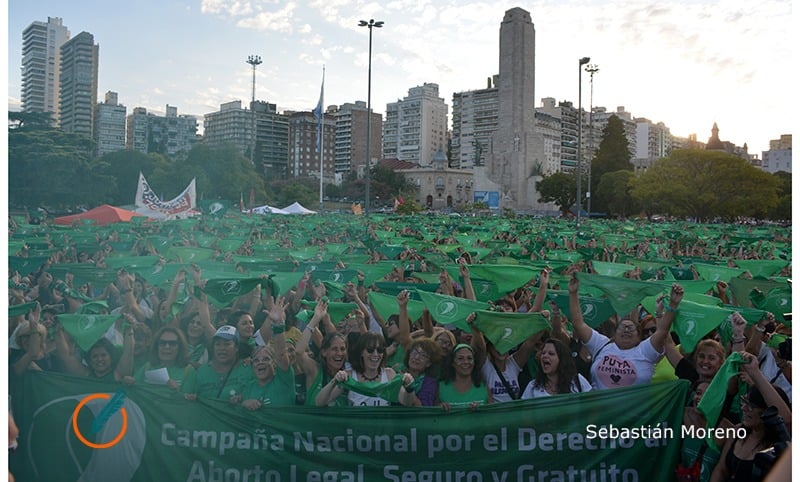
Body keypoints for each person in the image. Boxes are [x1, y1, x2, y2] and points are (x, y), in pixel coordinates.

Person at [568, 275, 683, 390]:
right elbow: (579, 324)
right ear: (615, 332)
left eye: (631, 328)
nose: (626, 330)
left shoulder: (645, 350)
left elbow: (662, 331)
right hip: (600, 407)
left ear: (639, 336)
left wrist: (673, 304)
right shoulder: (601, 344)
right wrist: (573, 293)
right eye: (622, 327)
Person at [710, 351, 792, 482]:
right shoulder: (737, 432)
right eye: (744, 402)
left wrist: (755, 373)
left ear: (768, 412)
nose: (743, 408)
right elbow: (721, 469)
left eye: (751, 406)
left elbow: (786, 418)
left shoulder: (778, 444)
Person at [232, 312, 294, 409]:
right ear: (252, 366)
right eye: (256, 360)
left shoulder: (283, 380)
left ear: (274, 363)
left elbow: (281, 355)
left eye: (266, 359)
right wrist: (243, 404)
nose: (260, 362)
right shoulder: (249, 387)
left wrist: (278, 325)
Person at [317, 332, 398, 407]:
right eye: (370, 350)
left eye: (380, 350)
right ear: (361, 352)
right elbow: (320, 403)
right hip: (356, 423)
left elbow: (407, 402)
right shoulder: (349, 376)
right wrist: (334, 381)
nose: (375, 354)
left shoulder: (389, 374)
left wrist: (409, 386)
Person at [181, 325, 251, 401]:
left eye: (227, 344)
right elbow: (185, 399)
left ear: (236, 347)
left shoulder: (247, 370)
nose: (222, 348)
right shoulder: (202, 371)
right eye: (218, 344)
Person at [126, 326, 194, 391]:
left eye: (172, 343)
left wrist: (176, 391)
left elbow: (188, 401)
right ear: (157, 347)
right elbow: (134, 389)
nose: (167, 347)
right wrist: (128, 382)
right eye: (162, 343)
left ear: (180, 348)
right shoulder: (148, 367)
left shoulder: (188, 371)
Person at [521, 338, 592, 398]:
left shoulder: (578, 381)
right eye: (543, 353)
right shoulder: (532, 386)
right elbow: (524, 412)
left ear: (561, 359)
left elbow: (593, 407)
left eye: (551, 354)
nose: (545, 356)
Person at [437, 343, 491, 411]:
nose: (466, 362)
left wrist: (482, 410)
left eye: (469, 358)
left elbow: (492, 414)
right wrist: (439, 408)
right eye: (460, 358)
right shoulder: (440, 387)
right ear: (453, 363)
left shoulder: (483, 386)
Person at [398, 337, 442, 407]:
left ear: (429, 363)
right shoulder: (397, 374)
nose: (416, 357)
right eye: (414, 352)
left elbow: (422, 407)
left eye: (423, 355)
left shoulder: (430, 382)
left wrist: (408, 386)